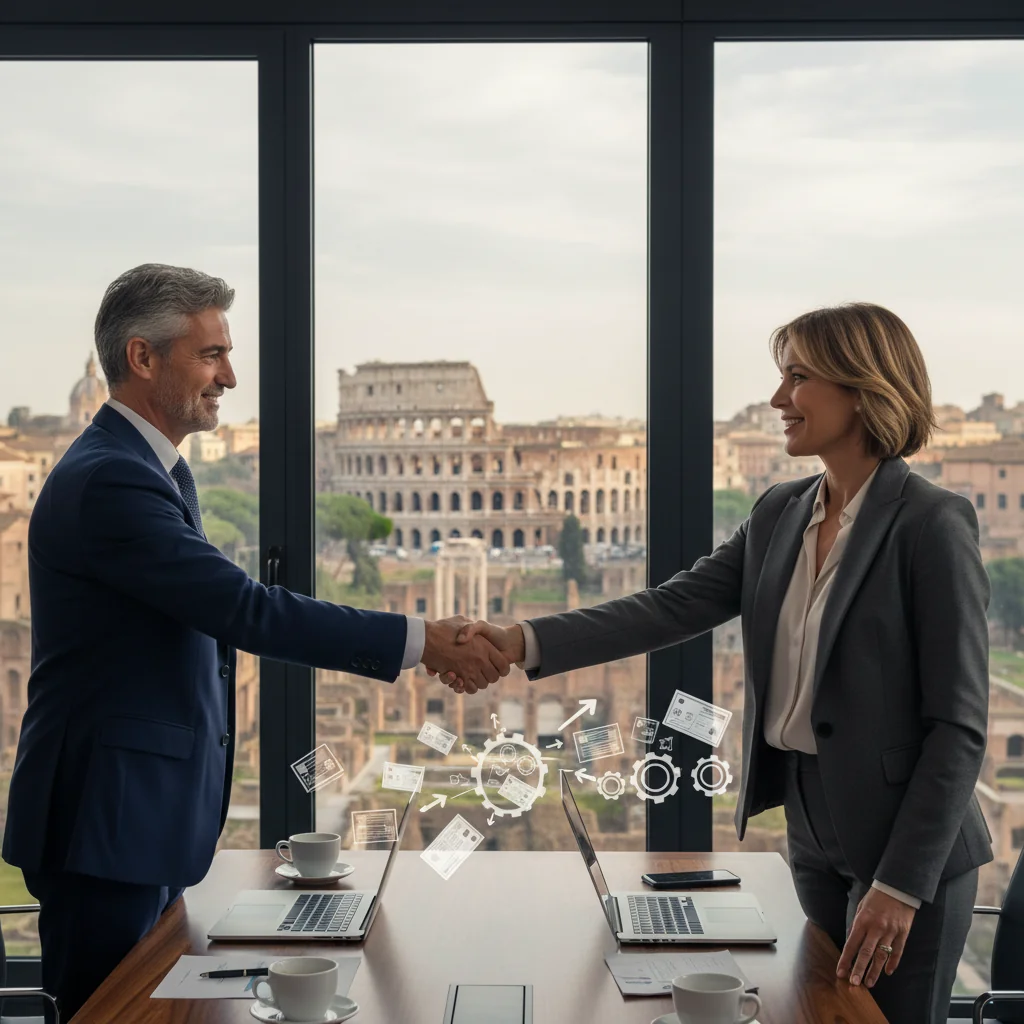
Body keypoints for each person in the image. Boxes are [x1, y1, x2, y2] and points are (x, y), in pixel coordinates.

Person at [451, 303, 993, 1024]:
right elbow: (668, 608)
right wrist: (520, 640)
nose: (776, 400)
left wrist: (900, 884)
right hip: (811, 828)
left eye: (797, 378)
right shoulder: (780, 513)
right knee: (818, 1013)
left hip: (907, 846)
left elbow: (957, 726)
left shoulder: (931, 523)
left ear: (861, 388)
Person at [1, 263, 508, 1019]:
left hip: (129, 816)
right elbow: (242, 609)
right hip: (105, 822)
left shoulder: (139, 468)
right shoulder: (113, 479)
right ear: (143, 358)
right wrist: (422, 641)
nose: (230, 376)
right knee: (110, 1014)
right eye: (210, 355)